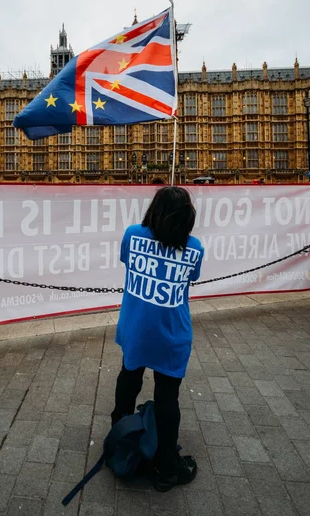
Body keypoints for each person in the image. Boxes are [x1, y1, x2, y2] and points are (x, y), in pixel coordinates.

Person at [111, 186, 204, 492]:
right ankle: (167, 468)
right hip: (172, 334)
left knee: (129, 376)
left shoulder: (132, 235)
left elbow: (128, 263)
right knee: (167, 397)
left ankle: (119, 435)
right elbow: (190, 279)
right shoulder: (194, 248)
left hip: (136, 327)